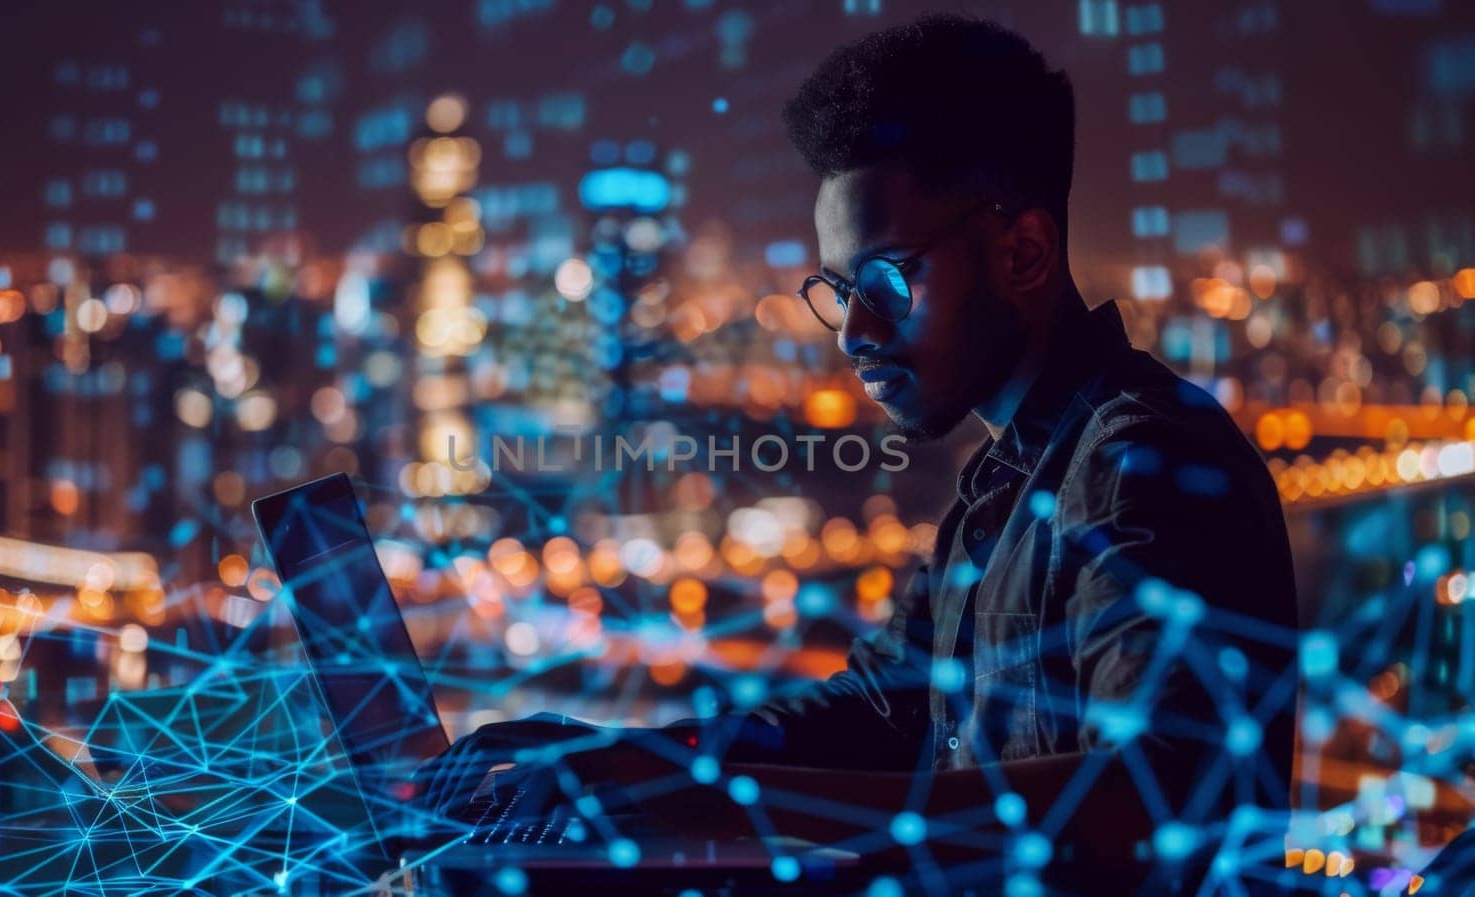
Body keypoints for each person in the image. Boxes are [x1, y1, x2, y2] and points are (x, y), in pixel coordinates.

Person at [413, 14, 1299, 893]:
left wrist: (711, 796)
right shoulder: (1006, 485)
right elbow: (881, 710)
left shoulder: (1140, 466)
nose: (856, 333)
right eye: (839, 292)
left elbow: (1153, 806)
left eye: (886, 280)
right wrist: (618, 757)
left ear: (1023, 251)